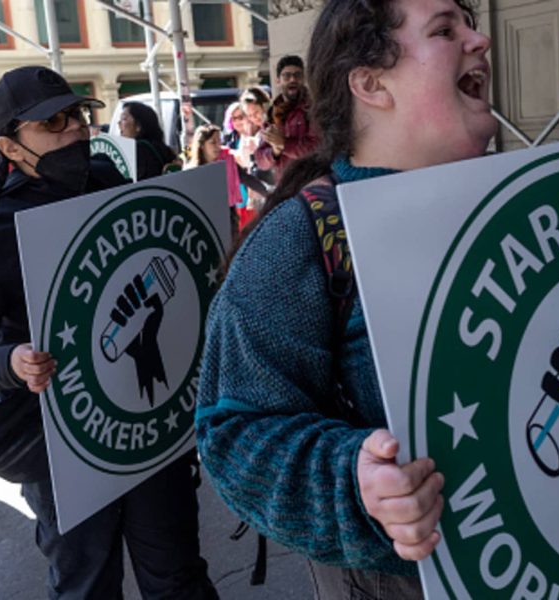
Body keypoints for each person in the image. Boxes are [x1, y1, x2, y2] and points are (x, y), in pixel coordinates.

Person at [196, 0, 496, 597]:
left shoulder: (514, 201)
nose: (480, 41)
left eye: (470, 23)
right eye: (445, 29)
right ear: (370, 84)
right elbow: (231, 434)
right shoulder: (301, 239)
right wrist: (355, 484)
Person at [0, 65, 218, 599]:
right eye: (52, 123)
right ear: (10, 147)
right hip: (64, 444)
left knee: (178, 577)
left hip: (148, 430)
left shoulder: (110, 184)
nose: (76, 130)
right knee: (87, 586)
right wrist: (9, 362)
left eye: (77, 115)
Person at [187, 124, 267, 233]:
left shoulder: (227, 160)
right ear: (202, 145)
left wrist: (268, 194)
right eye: (213, 142)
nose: (218, 146)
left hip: (229, 213)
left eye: (219, 141)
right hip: (206, 217)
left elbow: (246, 178)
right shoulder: (193, 171)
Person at [254, 55, 319, 181]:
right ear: (278, 80)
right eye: (287, 76)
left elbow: (317, 149)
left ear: (304, 79)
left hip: (310, 181)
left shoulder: (313, 108)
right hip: (284, 184)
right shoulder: (272, 113)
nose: (292, 79)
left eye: (297, 75)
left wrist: (284, 144)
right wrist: (275, 151)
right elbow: (261, 161)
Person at [117, 101, 181, 179]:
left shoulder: (138, 150)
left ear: (138, 126)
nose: (119, 123)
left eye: (124, 119)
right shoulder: (165, 150)